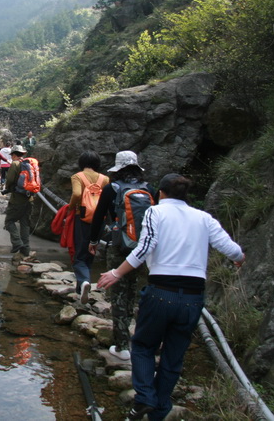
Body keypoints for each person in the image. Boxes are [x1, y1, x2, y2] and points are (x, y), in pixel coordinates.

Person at [97, 173, 245, 421]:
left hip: (160, 292)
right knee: (174, 355)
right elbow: (233, 250)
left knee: (144, 346)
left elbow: (144, 248)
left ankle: (144, 398)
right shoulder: (204, 218)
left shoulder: (156, 213)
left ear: (160, 194)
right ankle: (161, 408)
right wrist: (239, 259)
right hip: (193, 298)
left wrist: (116, 273)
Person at [88, 151, 158, 362]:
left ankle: (121, 345)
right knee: (132, 288)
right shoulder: (149, 189)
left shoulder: (112, 189)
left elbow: (99, 216)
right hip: (143, 249)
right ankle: (136, 335)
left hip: (119, 246)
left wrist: (92, 242)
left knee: (118, 291)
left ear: (118, 169)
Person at [68, 150, 108, 304]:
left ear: (82, 162)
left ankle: (84, 282)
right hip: (100, 219)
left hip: (83, 217)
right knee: (91, 250)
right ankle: (81, 287)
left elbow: (77, 194)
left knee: (79, 254)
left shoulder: (78, 176)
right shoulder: (104, 179)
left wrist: (71, 207)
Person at [3, 144, 32, 256]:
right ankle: (26, 250)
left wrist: (8, 188)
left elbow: (9, 179)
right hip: (29, 198)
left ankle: (17, 242)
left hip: (17, 199)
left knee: (9, 221)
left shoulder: (15, 164)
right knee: (25, 223)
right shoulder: (29, 164)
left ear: (14, 155)